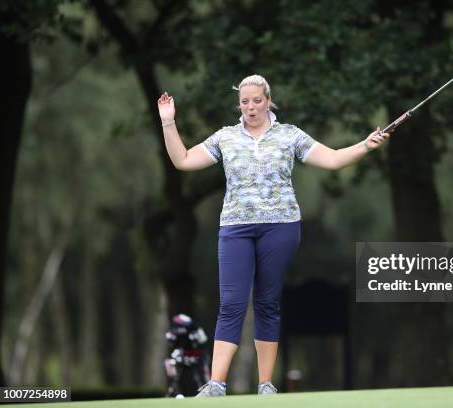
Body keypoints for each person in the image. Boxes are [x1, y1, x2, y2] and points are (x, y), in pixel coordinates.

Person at [157, 74, 390, 397]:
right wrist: (169, 122)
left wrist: (366, 145)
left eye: (256, 101)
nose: (250, 107)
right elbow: (182, 160)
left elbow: (334, 159)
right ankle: (217, 385)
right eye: (244, 101)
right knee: (232, 304)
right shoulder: (225, 138)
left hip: (280, 228)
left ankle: (266, 385)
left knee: (267, 302)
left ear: (268, 101)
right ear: (239, 104)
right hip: (235, 229)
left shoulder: (289, 136)